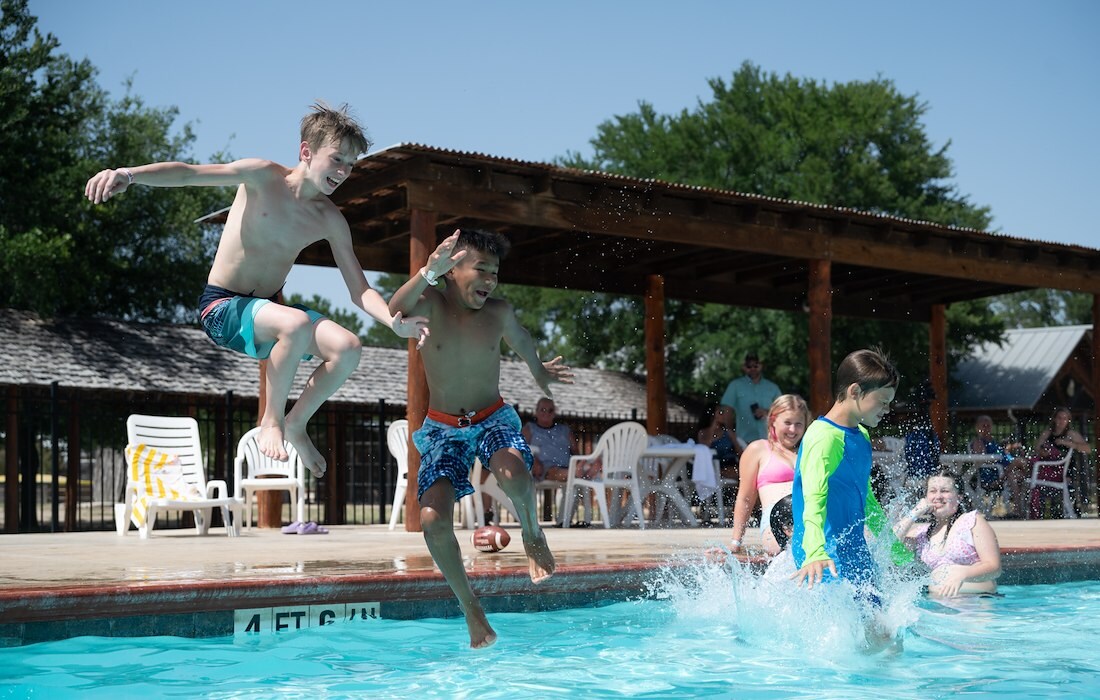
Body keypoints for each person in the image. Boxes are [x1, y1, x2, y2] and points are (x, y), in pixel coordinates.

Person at [84, 102, 427, 478]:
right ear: (306, 151)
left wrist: (392, 322)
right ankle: (271, 421)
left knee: (348, 348)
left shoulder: (329, 219)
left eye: (350, 164)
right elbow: (188, 174)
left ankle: (295, 423)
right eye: (336, 159)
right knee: (295, 323)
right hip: (222, 308)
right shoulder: (262, 176)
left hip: (269, 311)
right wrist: (129, 175)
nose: (343, 171)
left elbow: (359, 289)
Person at [388, 228, 568, 648]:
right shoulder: (429, 304)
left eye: (495, 272)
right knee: (432, 520)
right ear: (452, 270)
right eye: (481, 269)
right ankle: (471, 608)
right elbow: (394, 310)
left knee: (513, 473)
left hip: (490, 418)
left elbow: (523, 341)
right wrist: (426, 272)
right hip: (443, 428)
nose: (490, 280)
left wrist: (540, 371)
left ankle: (532, 532)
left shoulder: (498, 313)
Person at [790, 348, 900, 650]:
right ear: (855, 391)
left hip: (855, 550)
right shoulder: (823, 437)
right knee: (843, 639)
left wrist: (898, 552)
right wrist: (815, 551)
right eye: (883, 401)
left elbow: (868, 501)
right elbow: (813, 500)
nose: (887, 409)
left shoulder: (861, 435)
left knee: (884, 637)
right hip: (824, 553)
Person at [892, 470, 1002, 596]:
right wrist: (915, 512)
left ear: (959, 497)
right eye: (933, 491)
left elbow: (994, 568)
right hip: (936, 604)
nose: (938, 496)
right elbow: (888, 546)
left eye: (945, 491)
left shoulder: (972, 522)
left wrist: (963, 574)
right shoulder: (921, 533)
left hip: (976, 603)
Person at [728, 394, 809, 556]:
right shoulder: (759, 449)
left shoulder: (807, 453)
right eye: (787, 423)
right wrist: (736, 542)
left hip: (808, 513)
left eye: (798, 424)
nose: (793, 430)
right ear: (773, 421)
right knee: (795, 548)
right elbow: (745, 498)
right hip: (777, 517)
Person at [521, 397, 597, 525]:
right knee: (575, 476)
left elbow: (575, 451)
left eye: (550, 410)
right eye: (542, 410)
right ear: (536, 412)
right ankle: (577, 473)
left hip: (567, 466)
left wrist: (580, 463)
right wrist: (533, 461)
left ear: (554, 413)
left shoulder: (564, 430)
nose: (546, 413)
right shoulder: (529, 429)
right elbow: (520, 449)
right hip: (545, 468)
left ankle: (563, 521)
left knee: (577, 478)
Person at [1027, 407, 1091, 518]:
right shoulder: (1047, 434)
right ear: (1054, 419)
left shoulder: (1071, 434)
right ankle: (1023, 511)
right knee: (1020, 474)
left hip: (1062, 471)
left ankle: (1001, 481)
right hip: (1044, 467)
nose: (1061, 421)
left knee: (1022, 469)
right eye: (1059, 418)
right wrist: (1043, 452)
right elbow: (1036, 450)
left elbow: (1087, 449)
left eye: (1064, 418)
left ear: (1068, 420)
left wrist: (1067, 443)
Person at [968, 414, 1029, 518]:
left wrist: (1009, 450)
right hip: (991, 476)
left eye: (988, 426)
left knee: (1016, 476)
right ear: (977, 428)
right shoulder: (978, 442)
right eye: (983, 426)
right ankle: (1032, 475)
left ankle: (1018, 511)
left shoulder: (993, 442)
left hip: (1004, 473)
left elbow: (1003, 457)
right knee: (1020, 461)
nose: (986, 428)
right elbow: (982, 460)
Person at [720, 352, 782, 445]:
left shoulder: (773, 387)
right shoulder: (735, 385)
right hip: (743, 441)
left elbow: (783, 411)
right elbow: (727, 410)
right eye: (749, 366)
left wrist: (767, 412)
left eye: (756, 366)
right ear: (743, 367)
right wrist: (731, 434)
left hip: (769, 440)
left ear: (761, 366)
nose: (752, 369)